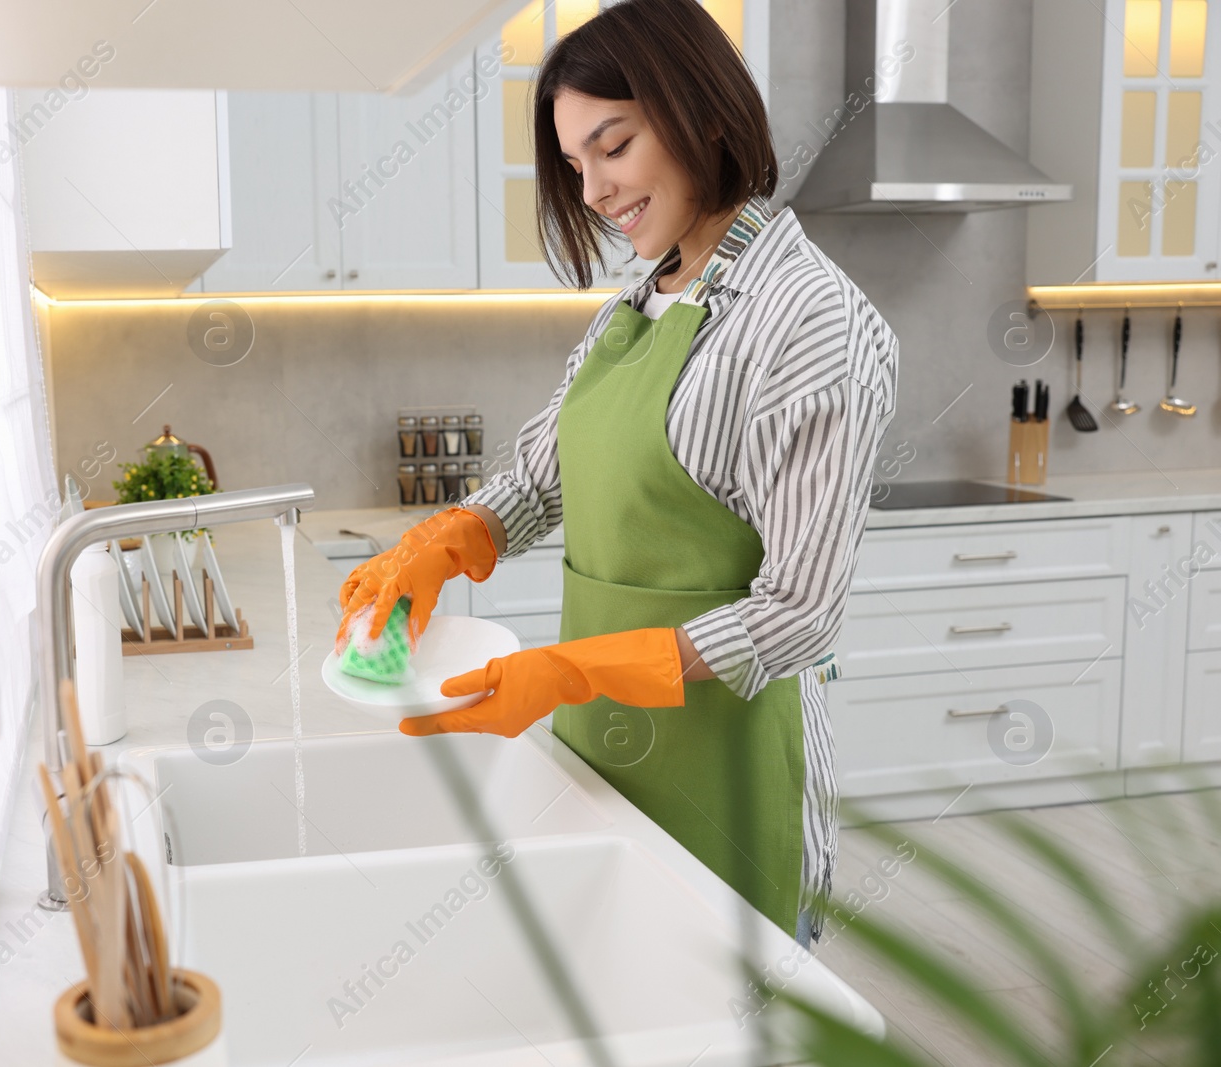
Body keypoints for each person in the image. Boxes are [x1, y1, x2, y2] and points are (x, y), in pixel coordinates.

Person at [336, 0, 898, 945]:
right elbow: (536, 479)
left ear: (702, 112)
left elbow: (801, 612)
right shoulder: (635, 307)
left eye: (615, 144)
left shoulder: (812, 321)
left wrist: (571, 668)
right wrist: (441, 544)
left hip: (732, 780)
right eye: (574, 164)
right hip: (602, 760)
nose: (593, 190)